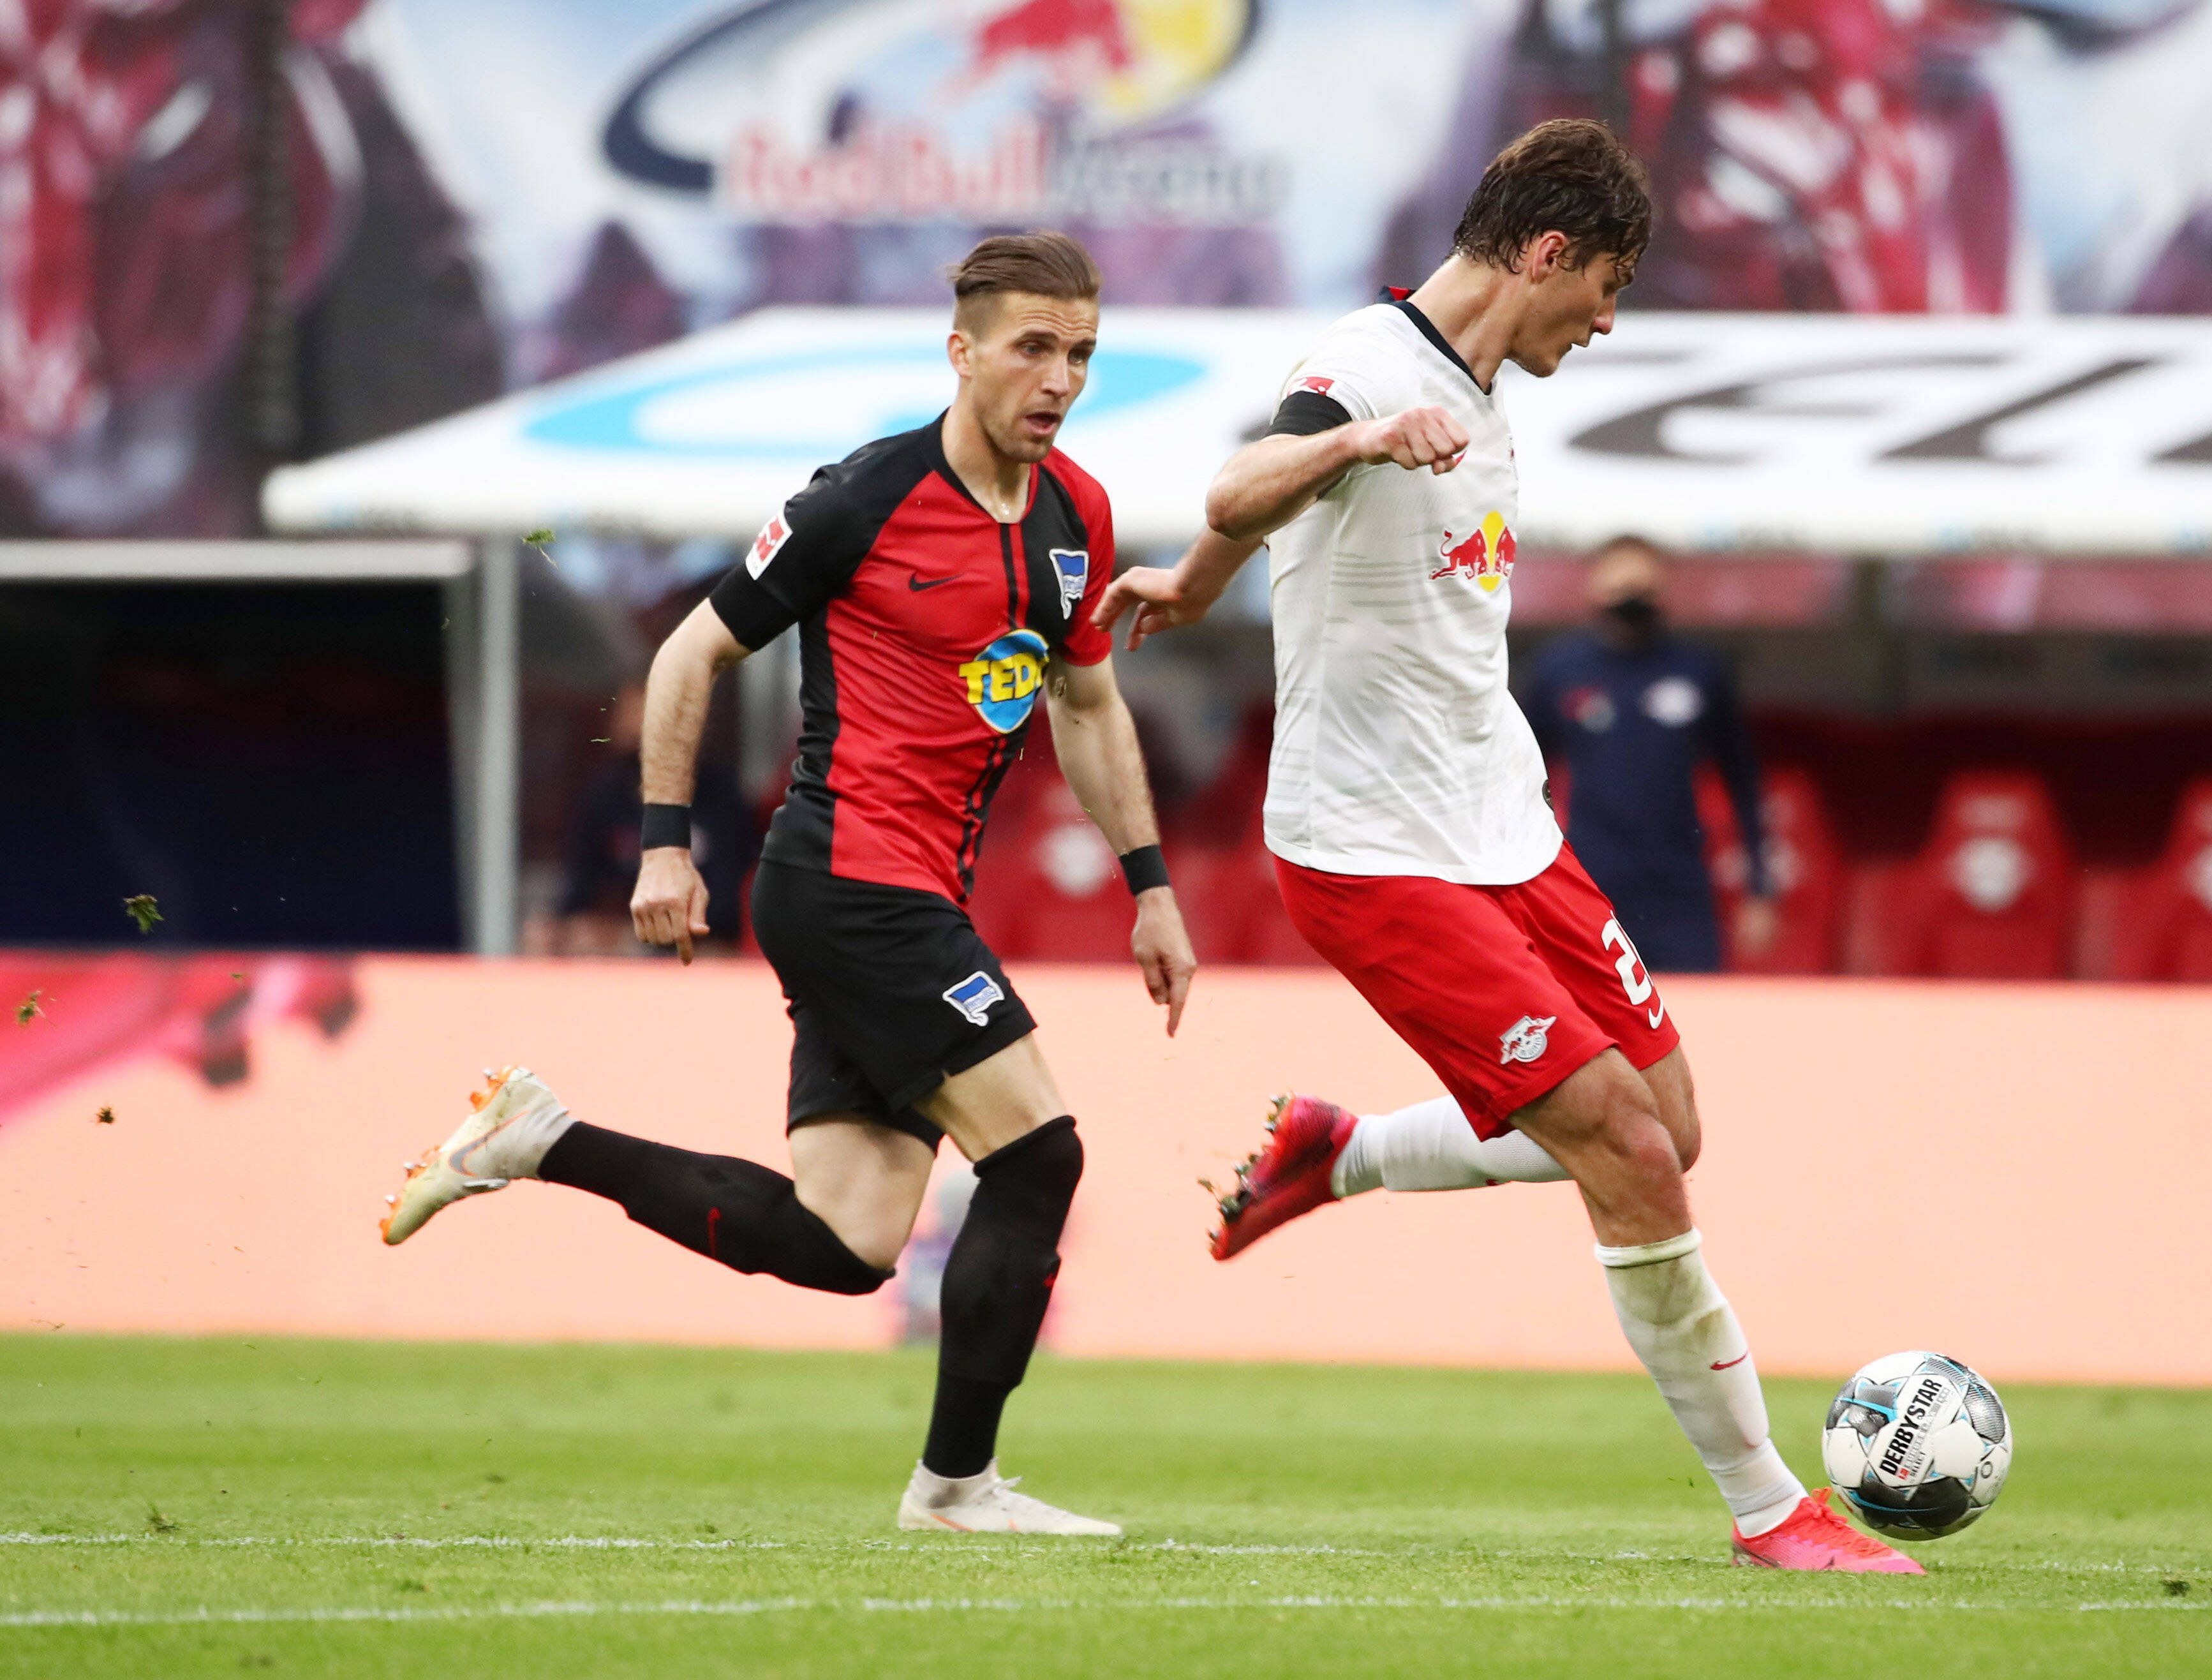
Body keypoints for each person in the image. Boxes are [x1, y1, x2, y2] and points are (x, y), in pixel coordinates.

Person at [1094, 119, 1917, 1574]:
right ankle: (1767, 1508)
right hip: (1370, 852)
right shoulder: (1367, 371)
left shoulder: (1477, 390)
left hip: (1506, 824)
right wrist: (1329, 453)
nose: (1602, 322)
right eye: (1601, 288)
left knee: (1671, 1123)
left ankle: (1338, 1154)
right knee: (1621, 1150)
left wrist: (1199, 586)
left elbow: (1251, 529)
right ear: (1545, 254)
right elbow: (1244, 481)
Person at [376, 233, 1196, 1538]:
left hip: (916, 894)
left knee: (844, 1239)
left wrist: (1150, 884)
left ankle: (538, 1137)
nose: (1059, 378)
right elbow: (688, 656)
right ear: (963, 349)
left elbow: (1087, 706)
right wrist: (661, 840)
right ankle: (956, 1488)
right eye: (1033, 347)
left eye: (1081, 353)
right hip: (847, 880)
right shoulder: (857, 500)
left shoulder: (1076, 515)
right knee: (1039, 1155)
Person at [1520, 537, 1777, 972]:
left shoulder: (1697, 670)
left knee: (1695, 1015)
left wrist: (1759, 888)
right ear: (1595, 590)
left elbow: (1743, 782)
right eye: (1621, 587)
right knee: (1592, 1020)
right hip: (1591, 881)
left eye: (1643, 586)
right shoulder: (1560, 671)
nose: (1632, 599)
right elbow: (1518, 780)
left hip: (1680, 886)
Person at [533, 682, 751, 956]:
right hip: (618, 938)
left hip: (694, 940)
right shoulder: (606, 795)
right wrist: (563, 926)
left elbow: (726, 907)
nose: (642, 727)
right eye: (634, 714)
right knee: (547, 940)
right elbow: (578, 887)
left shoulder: (720, 796)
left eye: (652, 713)